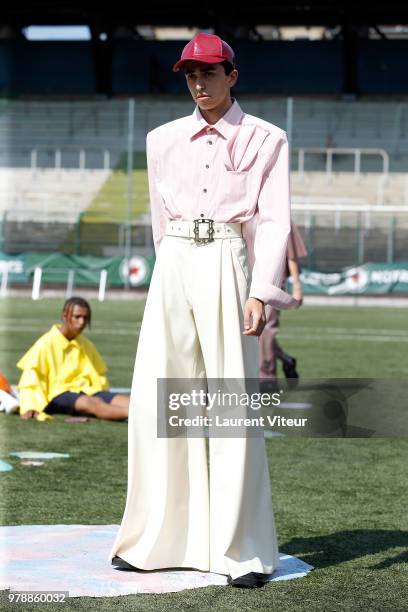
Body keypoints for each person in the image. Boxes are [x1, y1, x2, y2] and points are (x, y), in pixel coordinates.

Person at [109, 32, 299, 588]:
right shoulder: (161, 139)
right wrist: (167, 273)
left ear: (232, 76)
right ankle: (157, 541)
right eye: (191, 75)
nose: (199, 84)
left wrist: (261, 290)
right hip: (174, 262)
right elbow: (157, 220)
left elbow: (273, 221)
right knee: (155, 400)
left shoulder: (268, 138)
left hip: (227, 258)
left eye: (210, 74)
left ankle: (244, 552)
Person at [16, 297, 129, 422]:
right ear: (65, 316)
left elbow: (99, 376)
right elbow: (31, 377)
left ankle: (147, 415)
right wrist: (30, 405)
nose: (81, 322)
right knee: (91, 403)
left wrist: (104, 394)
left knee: (129, 401)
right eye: (77, 317)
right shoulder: (45, 343)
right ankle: (138, 416)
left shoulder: (86, 344)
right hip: (57, 394)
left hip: (86, 390)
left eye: (85, 318)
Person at [259, 223, 308, 391]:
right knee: (250, 330)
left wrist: (297, 286)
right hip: (246, 276)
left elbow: (291, 254)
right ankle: (285, 359)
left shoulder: (278, 213)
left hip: (271, 281)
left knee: (266, 330)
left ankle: (266, 379)